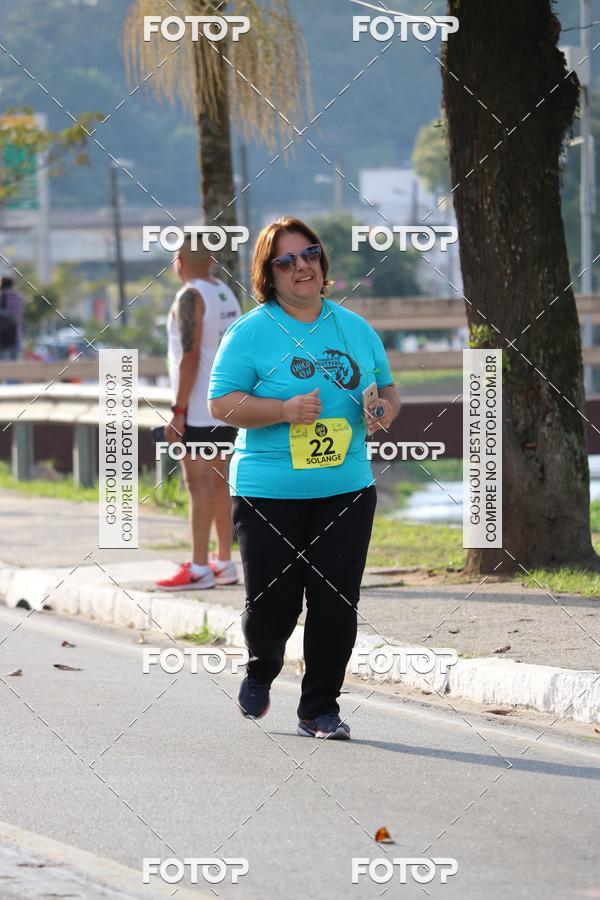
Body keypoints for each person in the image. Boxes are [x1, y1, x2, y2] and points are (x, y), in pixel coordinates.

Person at [207, 217, 401, 740]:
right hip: (268, 491)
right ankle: (261, 667)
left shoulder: (355, 328)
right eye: (287, 260)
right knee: (275, 604)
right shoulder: (249, 332)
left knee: (336, 602)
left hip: (347, 487)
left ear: (323, 263)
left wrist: (381, 410)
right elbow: (222, 403)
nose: (302, 267)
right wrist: (282, 409)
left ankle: (319, 708)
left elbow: (386, 391)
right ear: (268, 274)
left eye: (310, 254)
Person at [156, 235, 242, 591]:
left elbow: (189, 357)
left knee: (197, 484)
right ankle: (224, 561)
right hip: (227, 405)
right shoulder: (225, 292)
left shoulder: (190, 296)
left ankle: (199, 566)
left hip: (199, 409)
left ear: (179, 261)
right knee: (220, 481)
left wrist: (177, 411)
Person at [0, 275, 25, 361]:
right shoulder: (19, 297)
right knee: (15, 368)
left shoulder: (2, 297)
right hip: (17, 335)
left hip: (3, 339)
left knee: (4, 369)